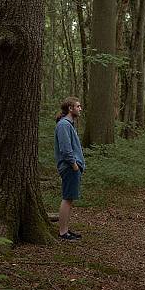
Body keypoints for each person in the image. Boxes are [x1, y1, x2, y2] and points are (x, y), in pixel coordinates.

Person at [54, 96, 86, 240]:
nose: (80, 108)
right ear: (70, 108)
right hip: (69, 167)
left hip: (72, 167)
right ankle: (62, 232)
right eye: (78, 106)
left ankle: (65, 230)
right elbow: (66, 149)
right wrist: (74, 166)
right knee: (67, 198)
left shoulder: (68, 125)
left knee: (69, 199)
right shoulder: (64, 125)